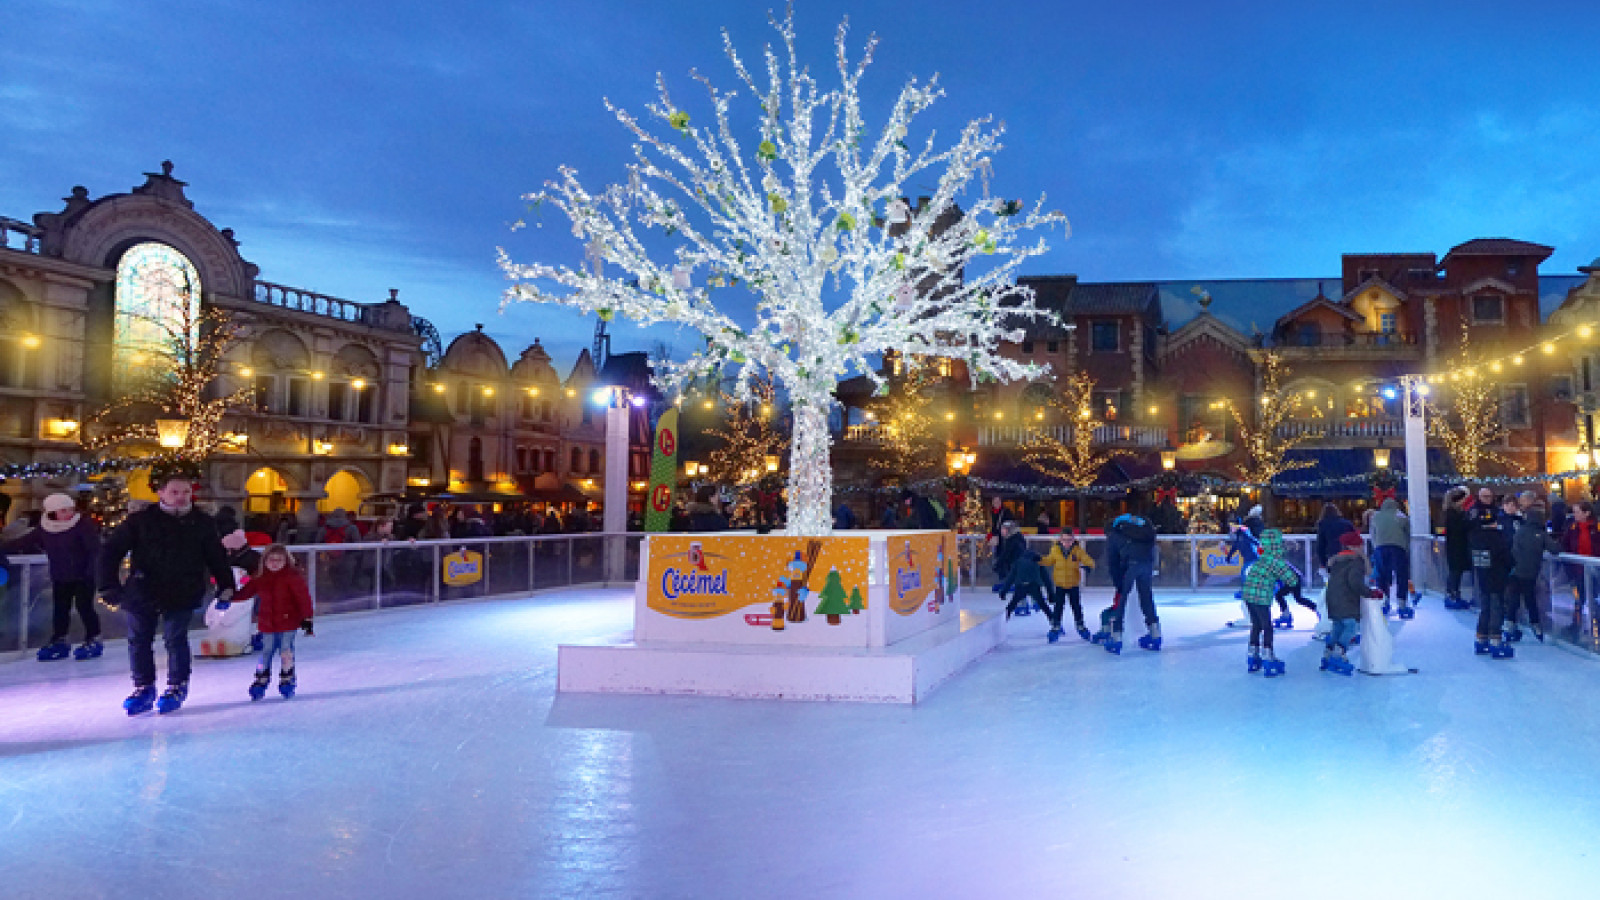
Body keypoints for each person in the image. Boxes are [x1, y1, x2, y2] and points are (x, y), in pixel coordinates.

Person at [99, 474, 236, 716]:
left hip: (182, 588)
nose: (181, 497)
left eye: (185, 492)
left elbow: (216, 557)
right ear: (161, 493)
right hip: (143, 588)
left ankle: (177, 685)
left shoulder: (202, 522)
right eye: (175, 492)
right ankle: (144, 687)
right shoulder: (140, 521)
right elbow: (111, 551)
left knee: (175, 639)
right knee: (139, 640)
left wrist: (226, 586)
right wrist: (108, 586)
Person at [4, 493, 103, 661]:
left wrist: (90, 572)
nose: (68, 514)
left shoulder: (82, 525)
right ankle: (60, 640)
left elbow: (95, 550)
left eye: (70, 510)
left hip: (83, 576)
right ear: (52, 512)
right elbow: (24, 541)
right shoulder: (46, 528)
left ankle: (93, 638)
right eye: (63, 511)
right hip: (60, 575)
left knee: (84, 607)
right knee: (60, 610)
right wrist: (3, 547)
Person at [221, 544, 314, 700]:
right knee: (266, 652)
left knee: (286, 650)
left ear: (286, 561)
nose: (275, 563)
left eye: (279, 560)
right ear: (265, 561)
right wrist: (229, 597)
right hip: (267, 622)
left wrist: (307, 618)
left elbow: (304, 599)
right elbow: (246, 592)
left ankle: (287, 676)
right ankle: (261, 677)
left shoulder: (292, 577)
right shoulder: (260, 578)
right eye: (271, 560)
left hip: (288, 622)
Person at [1240, 529, 1298, 676]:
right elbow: (1292, 580)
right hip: (1260, 597)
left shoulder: (1262, 559)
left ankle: (1252, 654)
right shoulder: (1276, 562)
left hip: (1248, 595)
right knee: (1267, 627)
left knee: (1256, 625)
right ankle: (1268, 655)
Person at [1320, 531, 1376, 675]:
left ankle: (1328, 653)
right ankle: (1339, 652)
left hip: (1332, 597)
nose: (1363, 548)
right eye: (1361, 545)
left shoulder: (1337, 560)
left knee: (1338, 626)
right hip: (1346, 599)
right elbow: (1355, 582)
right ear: (1354, 546)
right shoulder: (1355, 562)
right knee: (1351, 626)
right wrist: (1370, 593)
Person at [1105, 509, 1160, 654]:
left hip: (1130, 566)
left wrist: (1119, 585)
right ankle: (1155, 633)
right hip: (1146, 563)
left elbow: (1113, 563)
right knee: (1146, 597)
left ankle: (1116, 637)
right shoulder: (1140, 526)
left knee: (1122, 601)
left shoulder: (1115, 534)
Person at [1469, 495, 1516, 658]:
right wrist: (1511, 565)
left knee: (1485, 608)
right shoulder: (1497, 538)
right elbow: (1506, 558)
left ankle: (1481, 638)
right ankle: (1496, 639)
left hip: (1483, 578)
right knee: (1496, 608)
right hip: (1497, 578)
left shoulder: (1476, 538)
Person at [1507, 502, 1556, 644]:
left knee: (1514, 600)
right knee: (1530, 600)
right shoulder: (1541, 534)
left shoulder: (1520, 531)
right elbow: (1555, 549)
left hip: (1515, 571)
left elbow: (1514, 550)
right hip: (1530, 573)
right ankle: (1536, 627)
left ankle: (1510, 625)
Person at [1041, 529, 1094, 641]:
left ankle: (1080, 625)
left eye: (1069, 540)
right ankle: (1056, 626)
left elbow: (1087, 559)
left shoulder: (1077, 551)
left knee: (1076, 606)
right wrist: (1038, 559)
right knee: (1058, 607)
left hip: (1073, 584)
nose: (1067, 543)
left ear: (1073, 540)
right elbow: (1049, 560)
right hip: (1060, 584)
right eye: (1064, 540)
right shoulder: (1055, 550)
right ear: (1060, 539)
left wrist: (1089, 566)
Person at [1560, 501, 1600, 642]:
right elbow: (1564, 545)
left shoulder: (1597, 527)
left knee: (1596, 600)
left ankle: (1598, 626)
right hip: (1578, 570)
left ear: (1586, 513)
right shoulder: (1572, 528)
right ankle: (1576, 625)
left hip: (1596, 570)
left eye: (1577, 512)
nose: (1574, 514)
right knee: (1579, 599)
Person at [1368, 497, 1414, 618]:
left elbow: (1372, 534)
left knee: (1382, 576)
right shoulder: (1402, 517)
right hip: (1398, 549)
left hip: (1380, 549)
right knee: (1401, 576)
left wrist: (1376, 547)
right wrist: (1405, 548)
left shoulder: (1375, 517)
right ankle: (1402, 605)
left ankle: (1384, 603)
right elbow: (1408, 535)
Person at [1003, 546, 1054, 632]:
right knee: (1043, 605)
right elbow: (1046, 579)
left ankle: (1001, 623)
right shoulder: (1038, 561)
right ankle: (1055, 623)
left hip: (1021, 586)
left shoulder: (1018, 561)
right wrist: (1051, 593)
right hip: (1034, 586)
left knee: (1011, 605)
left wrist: (1004, 590)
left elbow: (1011, 577)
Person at [1442, 488, 1474, 609]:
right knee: (1455, 572)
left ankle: (1454, 595)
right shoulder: (1453, 514)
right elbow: (1459, 528)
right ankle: (1452, 595)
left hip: (1457, 547)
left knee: (1456, 572)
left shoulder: (1454, 513)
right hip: (1456, 547)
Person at [991, 519, 1027, 604]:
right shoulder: (1014, 538)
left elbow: (1006, 554)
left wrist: (997, 565)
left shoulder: (1013, 540)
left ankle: (1023, 603)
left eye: (1004, 530)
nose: (1002, 532)